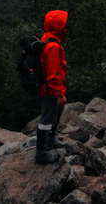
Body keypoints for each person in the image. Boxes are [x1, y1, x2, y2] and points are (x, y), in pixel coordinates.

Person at [36, 10, 68, 164]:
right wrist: (59, 94)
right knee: (47, 118)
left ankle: (51, 137)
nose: (66, 26)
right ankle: (40, 153)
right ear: (58, 26)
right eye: (63, 24)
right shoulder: (53, 46)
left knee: (57, 111)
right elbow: (53, 74)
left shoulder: (46, 38)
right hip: (49, 90)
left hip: (49, 88)